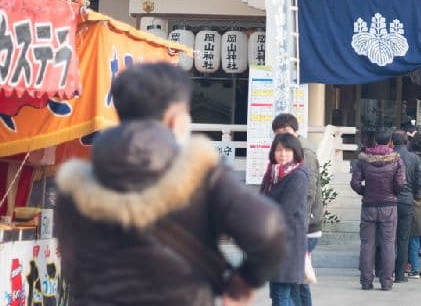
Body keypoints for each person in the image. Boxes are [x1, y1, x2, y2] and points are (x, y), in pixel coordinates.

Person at [55, 62, 286, 306]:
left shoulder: (74, 185)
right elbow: (268, 228)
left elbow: (72, 265)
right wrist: (243, 282)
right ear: (175, 120)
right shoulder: (203, 173)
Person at [271, 113, 323, 306]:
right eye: (277, 133)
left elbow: (306, 193)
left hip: (304, 225)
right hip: (298, 225)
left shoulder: (304, 152)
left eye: (285, 132)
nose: (281, 136)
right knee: (297, 281)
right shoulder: (287, 152)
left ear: (296, 131)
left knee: (292, 283)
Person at [350, 128, 407, 291]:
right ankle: (386, 282)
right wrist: (393, 193)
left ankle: (366, 282)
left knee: (367, 244)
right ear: (390, 142)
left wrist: (365, 192)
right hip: (389, 206)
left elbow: (355, 183)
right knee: (388, 244)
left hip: (369, 206)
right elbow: (401, 184)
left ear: (374, 141)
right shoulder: (396, 160)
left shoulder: (363, 160)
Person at [262, 133, 309, 306]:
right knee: (277, 293)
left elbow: (285, 211)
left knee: (282, 294)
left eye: (288, 150)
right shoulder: (271, 174)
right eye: (279, 150)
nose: (283, 154)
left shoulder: (298, 176)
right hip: (274, 241)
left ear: (295, 152)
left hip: (289, 242)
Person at [392, 129, 421, 283]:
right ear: (407, 142)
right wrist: (416, 194)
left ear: (392, 142)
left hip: (390, 199)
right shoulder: (414, 158)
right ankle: (400, 274)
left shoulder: (388, 156)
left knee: (387, 238)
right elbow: (419, 181)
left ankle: (385, 270)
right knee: (403, 239)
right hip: (406, 200)